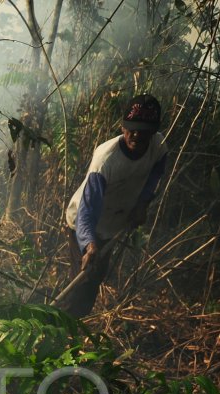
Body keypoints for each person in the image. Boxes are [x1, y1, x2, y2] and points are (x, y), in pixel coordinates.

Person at [56, 94, 169, 316]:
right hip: (83, 223)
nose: (136, 135)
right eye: (131, 129)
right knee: (82, 280)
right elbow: (87, 211)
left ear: (153, 132)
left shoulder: (159, 146)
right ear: (122, 127)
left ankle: (76, 326)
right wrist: (89, 245)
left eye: (143, 131)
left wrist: (143, 203)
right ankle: (61, 329)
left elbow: (156, 171)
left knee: (95, 278)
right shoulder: (106, 160)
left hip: (113, 223)